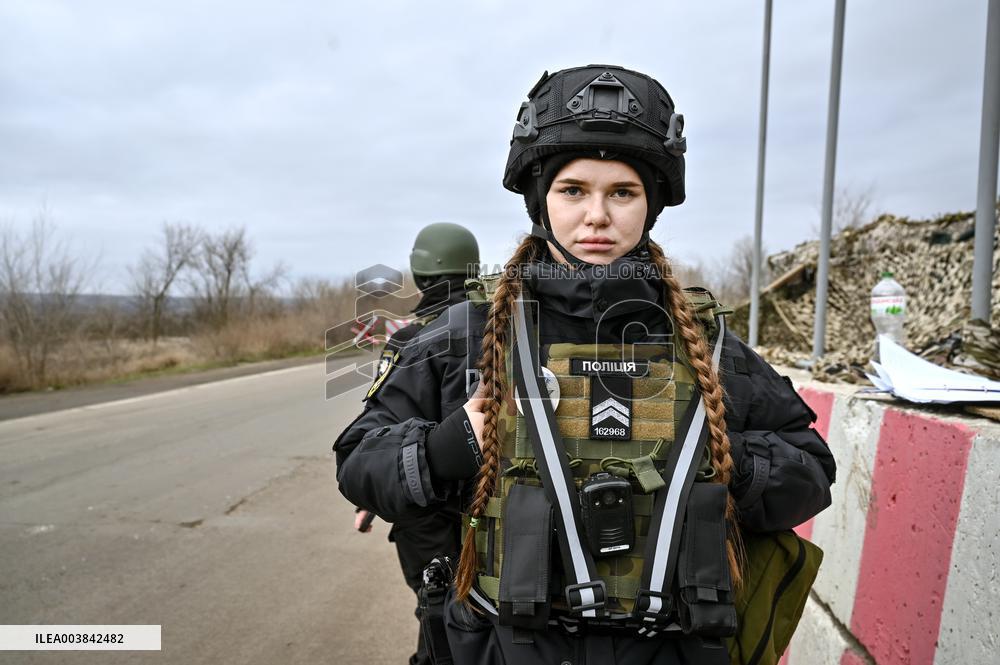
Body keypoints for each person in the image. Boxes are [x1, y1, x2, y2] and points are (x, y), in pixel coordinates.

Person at [335, 65, 836, 664]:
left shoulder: (707, 342)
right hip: (507, 646)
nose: (597, 216)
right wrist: (447, 448)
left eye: (621, 192)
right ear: (539, 200)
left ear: (650, 205)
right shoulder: (467, 334)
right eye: (573, 190)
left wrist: (728, 461)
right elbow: (359, 458)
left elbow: (811, 471)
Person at [351, 221, 480, 665]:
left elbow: (383, 431)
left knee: (441, 622)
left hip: (429, 515)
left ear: (420, 272)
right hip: (509, 512)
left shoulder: (414, 338)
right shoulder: (510, 322)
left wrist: (373, 493)